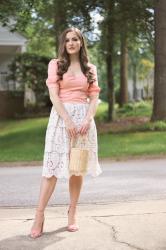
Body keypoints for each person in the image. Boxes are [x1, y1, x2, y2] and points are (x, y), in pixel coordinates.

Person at [30, 27, 102, 238]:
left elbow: (94, 97)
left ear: (81, 43)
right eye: (67, 40)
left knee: (77, 168)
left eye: (75, 39)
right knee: (51, 169)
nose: (71, 43)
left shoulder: (90, 68)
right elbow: (54, 96)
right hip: (61, 120)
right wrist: (68, 121)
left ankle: (72, 212)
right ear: (63, 44)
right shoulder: (56, 65)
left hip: (84, 124)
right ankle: (39, 215)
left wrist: (87, 119)